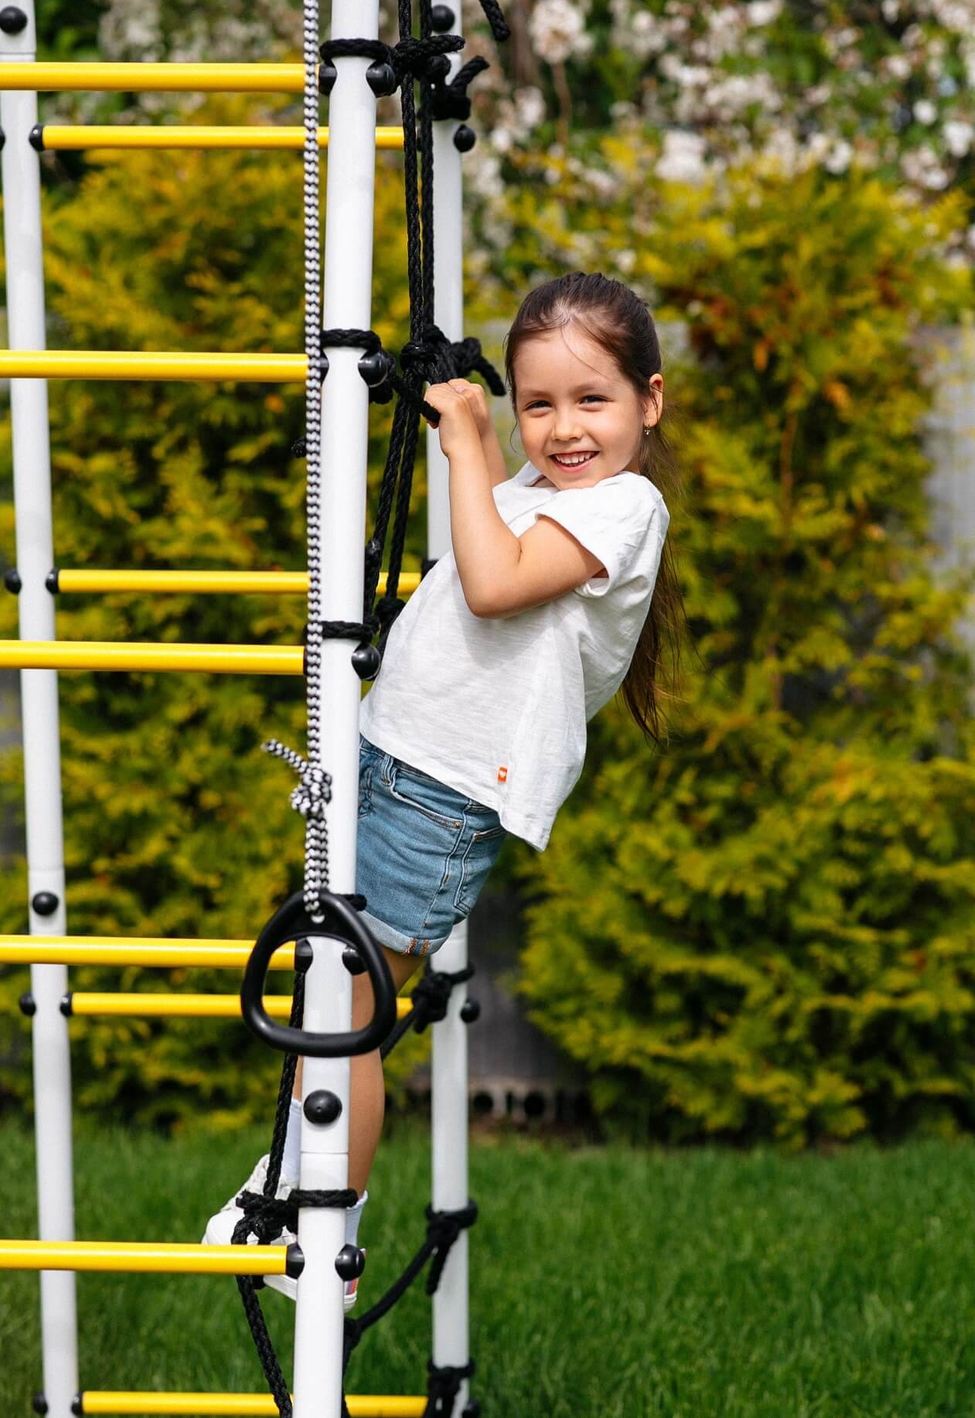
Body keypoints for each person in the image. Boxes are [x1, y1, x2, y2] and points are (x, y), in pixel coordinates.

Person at [204, 270, 686, 1306]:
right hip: (390, 759)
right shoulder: (538, 491)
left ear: (649, 401)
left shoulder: (623, 507)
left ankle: (328, 1237)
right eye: (537, 403)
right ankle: (284, 1190)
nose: (561, 428)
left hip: (445, 792)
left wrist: (467, 440)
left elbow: (494, 582)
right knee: (328, 987)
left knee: (349, 1005)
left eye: (591, 401)